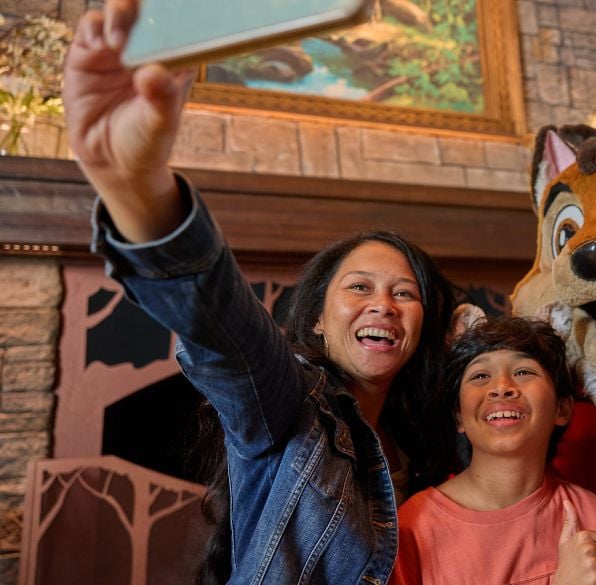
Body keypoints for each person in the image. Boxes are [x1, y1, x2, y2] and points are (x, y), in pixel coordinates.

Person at [63, 2, 460, 583]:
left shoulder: (431, 440)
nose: (384, 304)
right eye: (359, 287)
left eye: (405, 293)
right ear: (319, 321)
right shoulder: (289, 405)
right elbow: (226, 334)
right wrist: (139, 189)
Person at [390, 316, 596, 585]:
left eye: (523, 372)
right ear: (458, 417)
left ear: (562, 409)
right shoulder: (411, 530)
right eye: (480, 376)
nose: (501, 388)